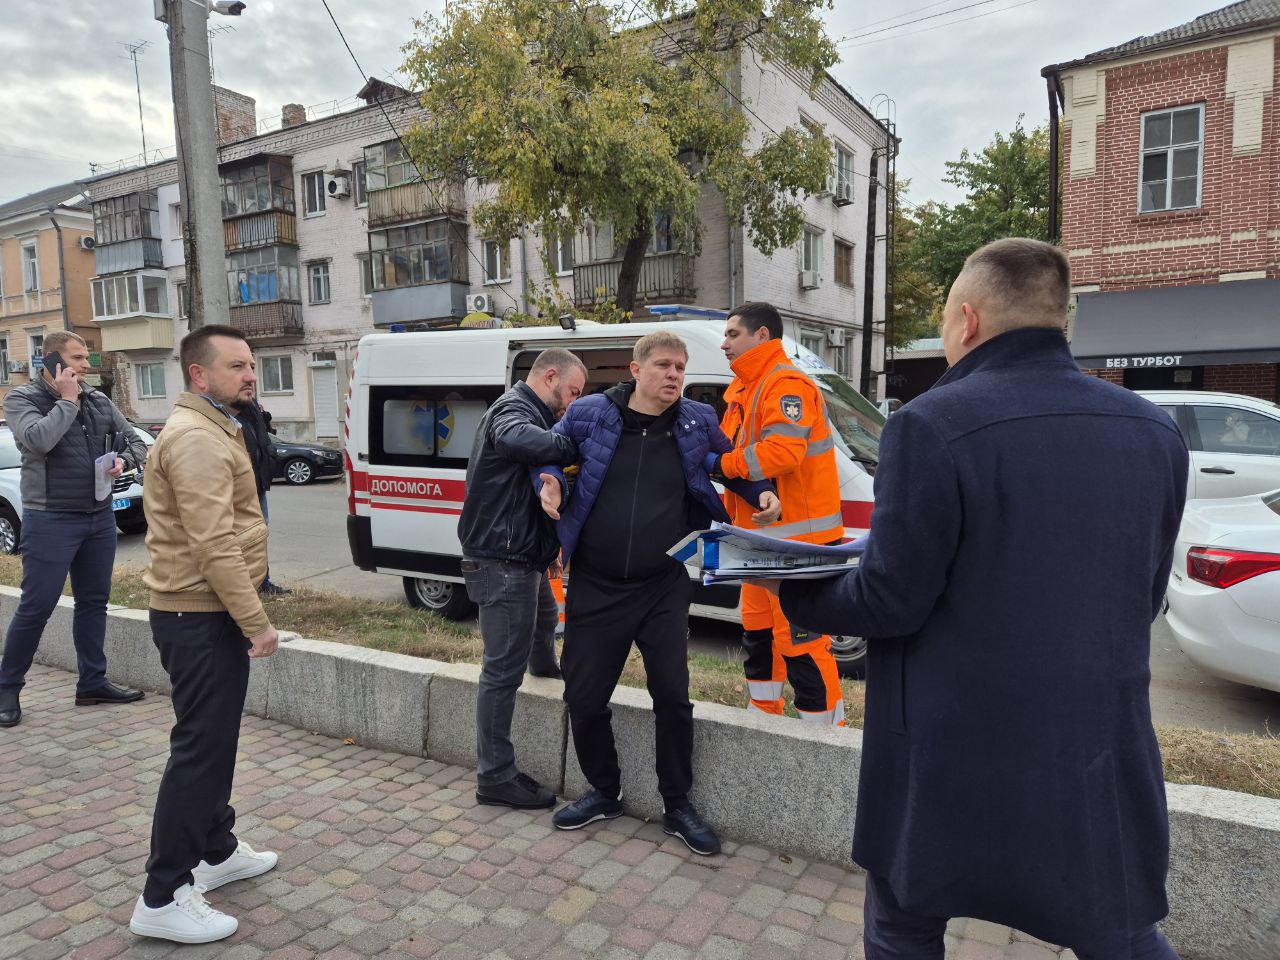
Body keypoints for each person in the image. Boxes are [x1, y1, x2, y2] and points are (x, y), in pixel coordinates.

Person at [773, 239, 1188, 960]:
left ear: (967, 319)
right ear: (1060, 320)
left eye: (943, 320)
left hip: (950, 747)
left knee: (904, 923)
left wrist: (797, 591)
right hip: (1093, 745)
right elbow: (1142, 596)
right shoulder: (1154, 429)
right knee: (1116, 927)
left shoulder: (930, 422)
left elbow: (890, 600)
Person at [537, 331, 780, 856]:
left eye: (680, 367)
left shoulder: (697, 420)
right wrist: (549, 480)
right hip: (596, 585)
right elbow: (549, 452)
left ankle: (677, 804)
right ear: (636, 369)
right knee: (584, 696)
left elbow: (729, 465)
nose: (674, 375)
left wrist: (761, 492)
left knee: (671, 695)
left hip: (662, 585)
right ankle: (604, 792)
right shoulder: (590, 415)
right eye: (664, 365)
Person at [129, 324, 281, 945]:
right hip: (199, 614)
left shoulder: (216, 425)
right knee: (200, 752)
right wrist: (257, 623)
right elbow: (214, 546)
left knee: (213, 742)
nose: (250, 374)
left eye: (251, 364)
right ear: (199, 374)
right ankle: (162, 894)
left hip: (202, 612)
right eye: (237, 365)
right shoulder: (196, 437)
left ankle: (215, 850)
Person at [458, 348, 586, 810]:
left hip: (519, 558)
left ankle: (545, 670)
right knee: (500, 672)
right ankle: (495, 776)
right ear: (549, 376)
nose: (573, 403)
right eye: (573, 392)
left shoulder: (533, 412)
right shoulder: (513, 409)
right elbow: (516, 439)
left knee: (545, 620)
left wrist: (547, 550)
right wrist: (579, 442)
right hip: (501, 562)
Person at [0, 330, 147, 728]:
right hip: (50, 518)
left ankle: (92, 682)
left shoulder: (97, 400)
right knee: (37, 606)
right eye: (78, 358)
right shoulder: (22, 399)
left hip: (98, 518)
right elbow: (38, 441)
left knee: (94, 602)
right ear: (53, 361)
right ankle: (7, 688)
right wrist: (66, 400)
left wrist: (123, 460)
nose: (87, 365)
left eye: (86, 357)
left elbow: (136, 442)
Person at [713, 301, 846, 725]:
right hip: (758, 541)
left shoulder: (786, 384)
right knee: (758, 634)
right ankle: (762, 719)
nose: (724, 344)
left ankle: (825, 733)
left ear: (762, 335)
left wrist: (722, 465)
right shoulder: (745, 389)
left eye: (733, 334)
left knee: (801, 643)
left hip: (799, 546)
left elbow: (782, 453)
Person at [239, 397, 289, 595]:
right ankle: (249, 584)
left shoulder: (250, 405)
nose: (250, 382)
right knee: (246, 534)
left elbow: (264, 439)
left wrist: (264, 417)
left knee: (260, 532)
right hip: (243, 485)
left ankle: (262, 581)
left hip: (258, 482)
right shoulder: (226, 410)